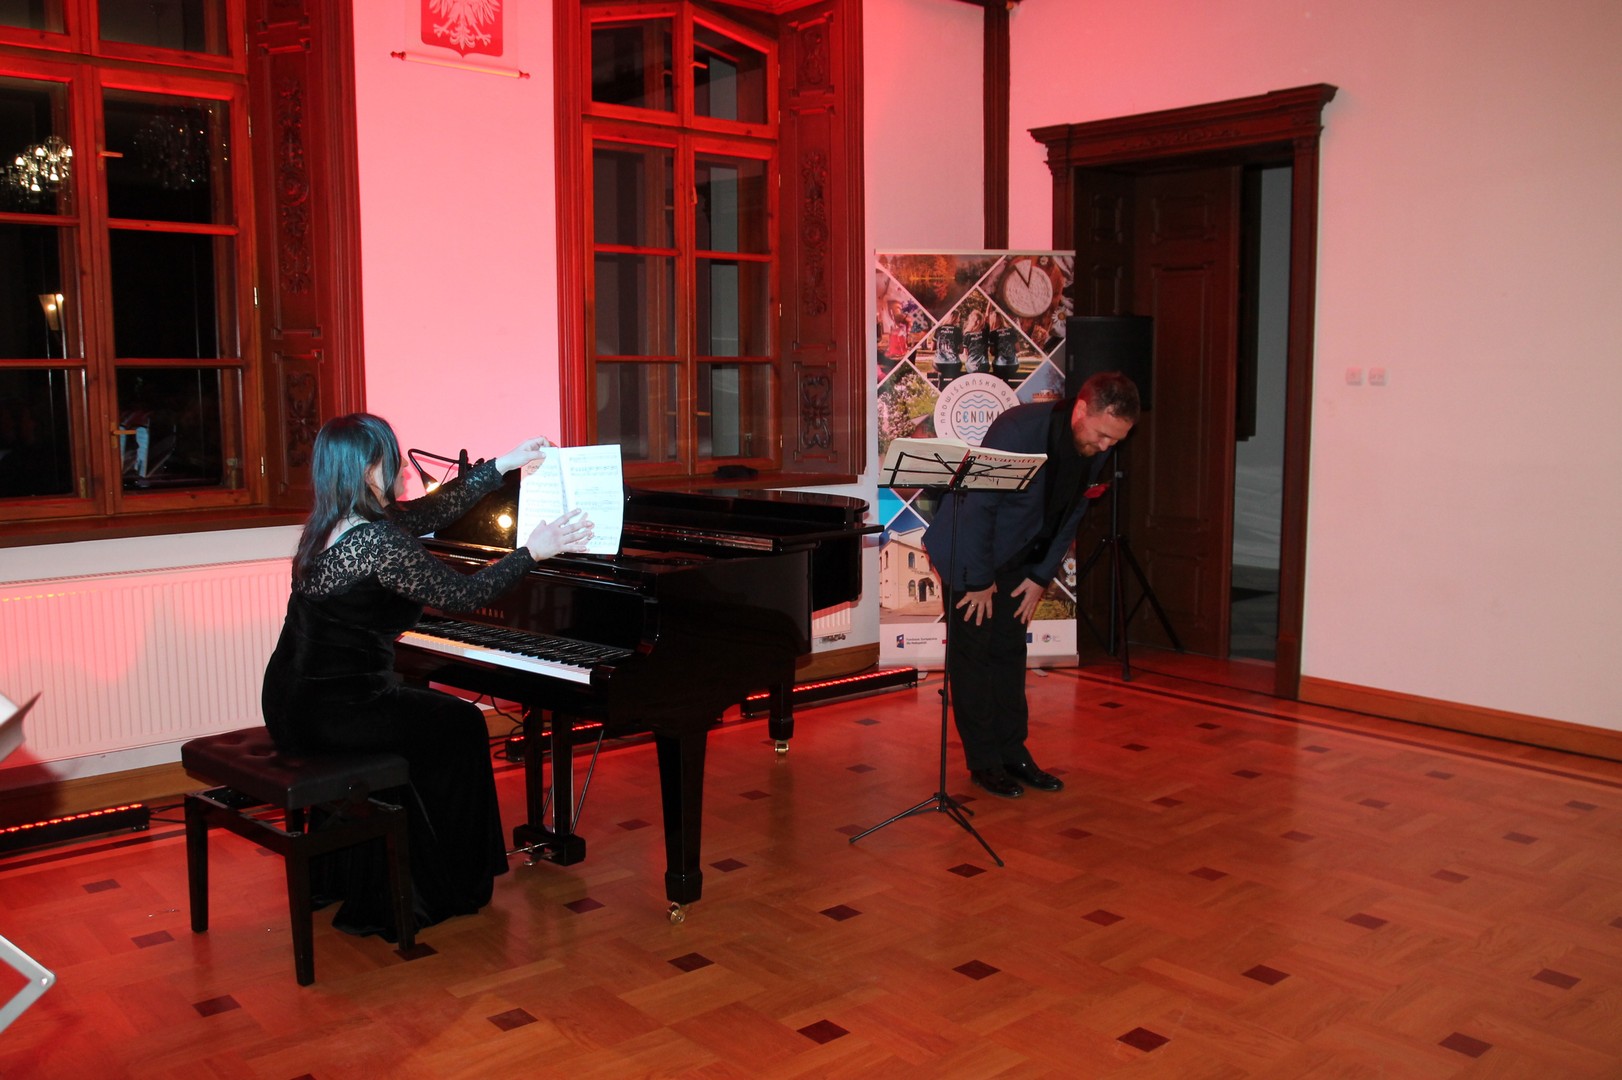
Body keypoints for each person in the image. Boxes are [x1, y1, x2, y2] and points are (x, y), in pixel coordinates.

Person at [262, 413, 592, 939]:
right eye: (391, 459)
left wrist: (505, 464)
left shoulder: (330, 522)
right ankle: (442, 883)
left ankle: (354, 869)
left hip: (290, 699)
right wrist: (533, 551)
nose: (400, 470)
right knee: (462, 724)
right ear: (369, 468)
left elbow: (434, 510)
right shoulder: (379, 542)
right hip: (338, 710)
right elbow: (464, 595)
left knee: (436, 721)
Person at [922, 372, 1141, 798]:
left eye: (1115, 441)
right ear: (1082, 410)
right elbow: (979, 508)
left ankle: (1014, 754)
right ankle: (984, 762)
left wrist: (1041, 576)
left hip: (1021, 556)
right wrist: (979, 581)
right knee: (973, 658)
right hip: (970, 552)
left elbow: (1073, 511)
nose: (1106, 448)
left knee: (1009, 652)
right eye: (1102, 436)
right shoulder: (1017, 430)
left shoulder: (1096, 443)